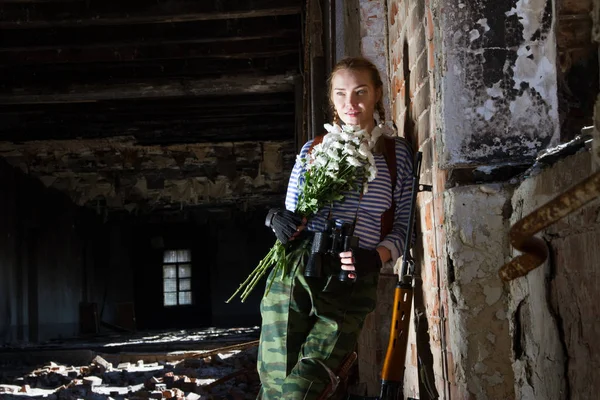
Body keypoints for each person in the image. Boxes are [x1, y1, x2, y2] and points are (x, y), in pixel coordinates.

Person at [257, 56, 414, 399]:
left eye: (360, 92)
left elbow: (404, 226)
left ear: (377, 94)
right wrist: (275, 219)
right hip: (296, 268)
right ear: (332, 99)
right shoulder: (312, 149)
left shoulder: (396, 154)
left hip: (350, 278)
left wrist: (377, 257)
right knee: (274, 381)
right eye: (341, 94)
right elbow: (291, 215)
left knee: (305, 386)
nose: (351, 103)